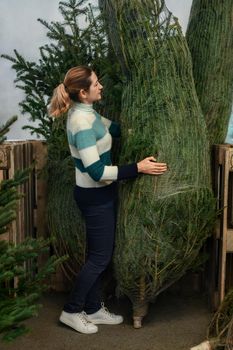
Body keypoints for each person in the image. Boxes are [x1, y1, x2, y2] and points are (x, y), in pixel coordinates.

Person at [49, 66, 167, 334]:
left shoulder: (88, 114)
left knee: (99, 255)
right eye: (96, 83)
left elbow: (111, 129)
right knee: (99, 259)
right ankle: (71, 310)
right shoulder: (80, 122)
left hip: (102, 194)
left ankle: (92, 309)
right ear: (83, 92)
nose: (100, 86)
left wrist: (141, 128)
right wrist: (137, 168)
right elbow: (97, 172)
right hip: (94, 195)